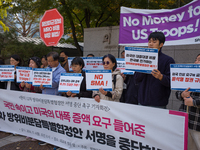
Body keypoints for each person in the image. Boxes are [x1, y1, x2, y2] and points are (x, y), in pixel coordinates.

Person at [134, 31, 175, 108]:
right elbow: (136, 78)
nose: (151, 44)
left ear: (161, 44)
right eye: (149, 41)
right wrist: (144, 69)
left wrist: (161, 77)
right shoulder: (142, 58)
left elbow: (172, 82)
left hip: (159, 104)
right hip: (142, 102)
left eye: (154, 42)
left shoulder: (168, 60)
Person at [39, 52, 66, 149]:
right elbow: (41, 81)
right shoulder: (46, 69)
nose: (49, 63)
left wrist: (44, 84)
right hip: (44, 97)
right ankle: (46, 138)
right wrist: (41, 85)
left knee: (56, 121)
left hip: (55, 98)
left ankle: (57, 142)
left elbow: (56, 83)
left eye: (51, 61)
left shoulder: (61, 70)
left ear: (56, 60)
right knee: (46, 119)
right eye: (48, 61)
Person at [175, 54, 200, 150]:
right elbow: (177, 92)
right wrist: (182, 95)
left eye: (199, 60)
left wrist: (194, 102)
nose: (196, 62)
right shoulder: (190, 75)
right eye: (196, 60)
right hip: (186, 122)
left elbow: (193, 102)